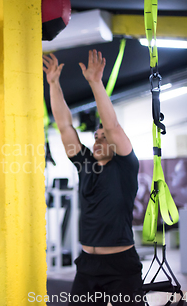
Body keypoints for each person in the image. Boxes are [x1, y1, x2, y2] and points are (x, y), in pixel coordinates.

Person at [43, 51, 143, 305]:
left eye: (103, 138)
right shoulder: (85, 163)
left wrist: (95, 83)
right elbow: (65, 126)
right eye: (95, 138)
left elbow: (113, 127)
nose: (98, 141)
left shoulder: (125, 165)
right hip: (88, 263)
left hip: (121, 264)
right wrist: (54, 84)